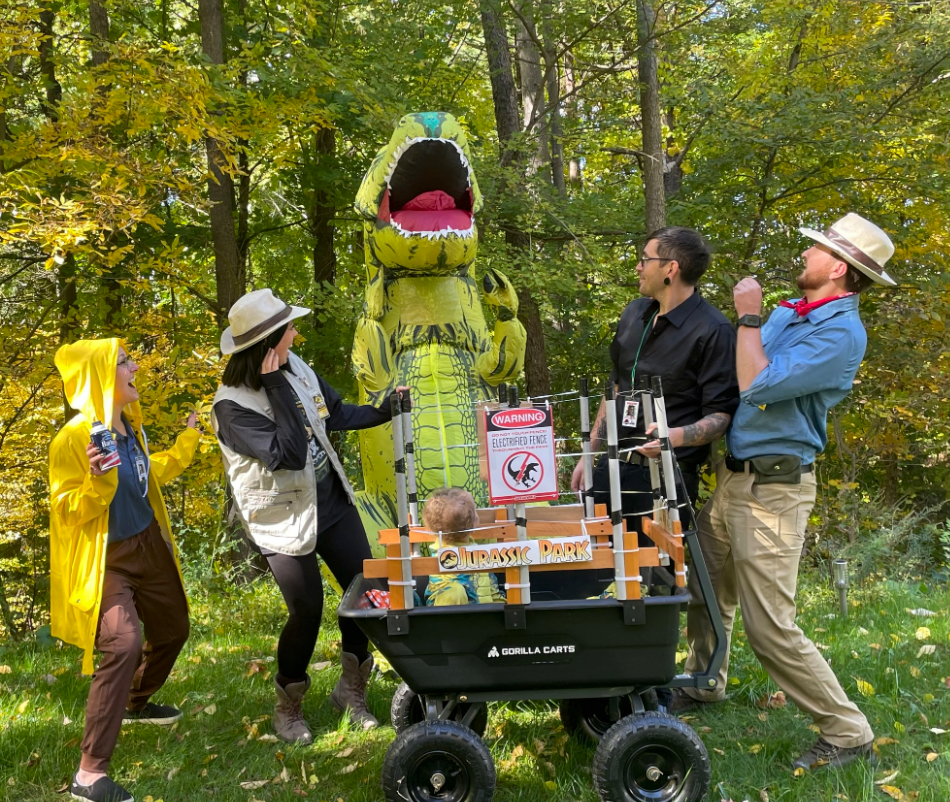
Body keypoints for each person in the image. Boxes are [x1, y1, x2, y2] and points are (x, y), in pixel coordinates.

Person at [677, 213, 896, 770]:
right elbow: (734, 374)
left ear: (838, 268)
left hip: (775, 491)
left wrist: (748, 316)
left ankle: (848, 732)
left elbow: (758, 384)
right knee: (705, 587)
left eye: (817, 250)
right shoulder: (791, 314)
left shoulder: (841, 333)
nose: (806, 255)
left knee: (768, 624)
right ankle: (705, 682)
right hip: (732, 480)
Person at [211, 288, 407, 742]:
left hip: (330, 503)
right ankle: (289, 706)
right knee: (306, 610)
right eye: (290, 329)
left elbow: (332, 413)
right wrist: (276, 384)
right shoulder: (231, 408)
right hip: (281, 519)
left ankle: (350, 690)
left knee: (366, 590)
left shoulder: (296, 367)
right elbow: (291, 453)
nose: (297, 333)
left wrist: (383, 410)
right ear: (269, 344)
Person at [50, 339, 199, 802]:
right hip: (107, 559)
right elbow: (67, 511)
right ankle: (89, 774)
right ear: (99, 374)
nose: (135, 366)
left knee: (174, 628)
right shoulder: (73, 439)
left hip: (148, 545)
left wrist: (188, 441)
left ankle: (134, 702)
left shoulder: (130, 425)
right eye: (125, 362)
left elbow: (143, 474)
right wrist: (95, 482)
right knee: (124, 641)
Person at [571, 226, 739, 549]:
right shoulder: (635, 313)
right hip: (612, 468)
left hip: (666, 480)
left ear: (670, 269)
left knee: (657, 581)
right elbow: (616, 389)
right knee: (596, 573)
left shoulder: (713, 330)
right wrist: (588, 454)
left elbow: (721, 415)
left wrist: (671, 437)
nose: (638, 266)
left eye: (645, 259)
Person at [424, 487, 506, 606]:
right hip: (452, 619)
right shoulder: (443, 556)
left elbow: (492, 591)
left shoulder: (480, 553)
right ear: (474, 523)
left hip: (483, 617)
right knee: (454, 592)